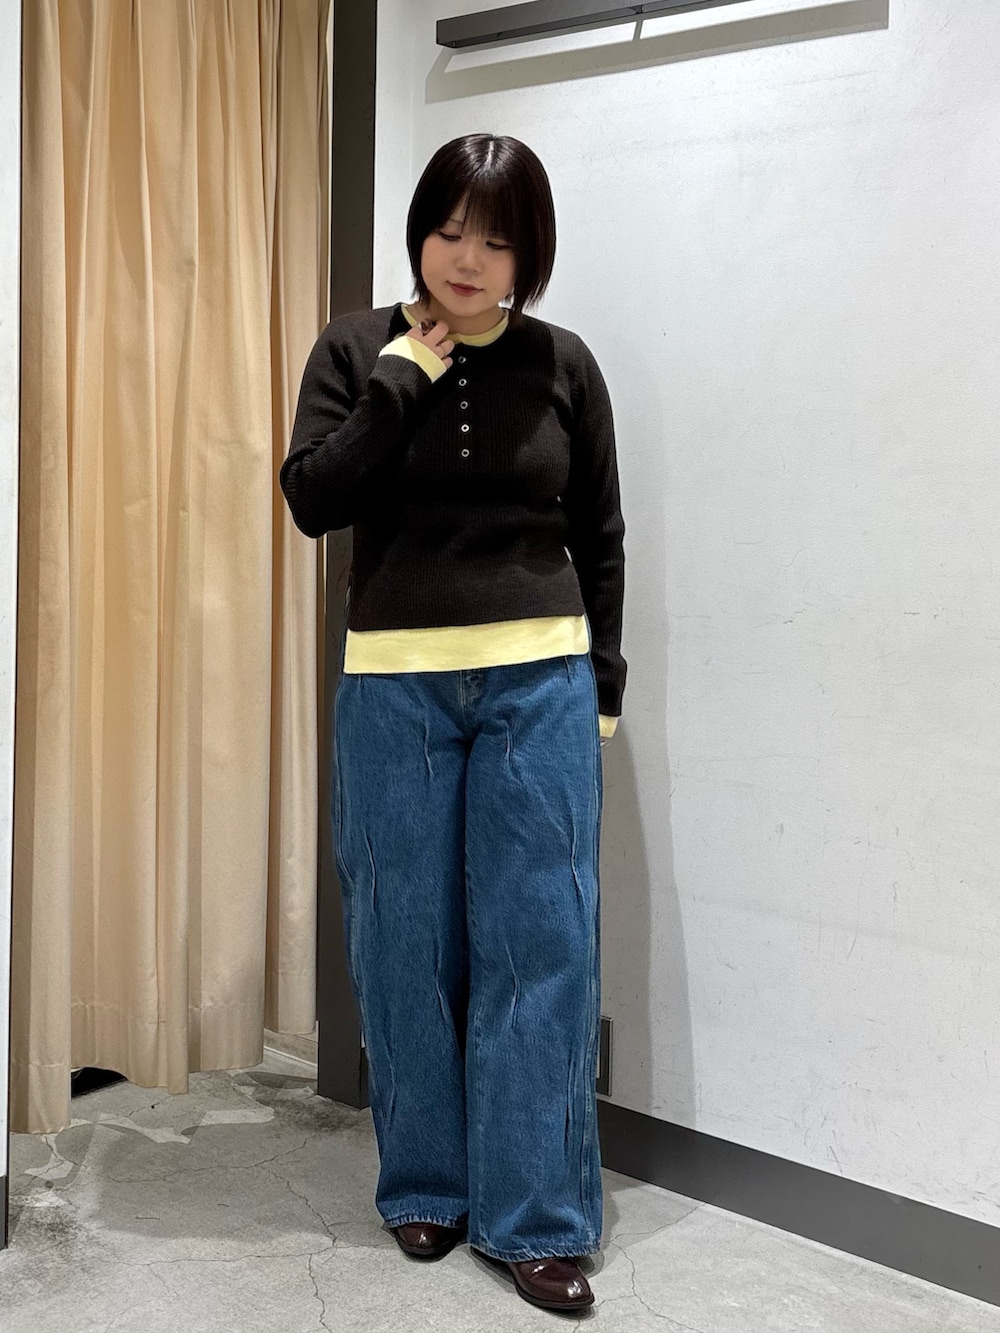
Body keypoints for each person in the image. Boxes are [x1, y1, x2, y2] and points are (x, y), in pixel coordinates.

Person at [280, 133, 626, 1314]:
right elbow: (312, 498)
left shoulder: (563, 364)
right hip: (396, 683)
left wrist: (604, 689)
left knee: (543, 942)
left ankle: (536, 1216)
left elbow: (599, 532)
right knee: (402, 939)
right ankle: (425, 1181)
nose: (467, 258)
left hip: (540, 682)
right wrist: (400, 381)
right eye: (447, 230)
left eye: (496, 239)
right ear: (419, 231)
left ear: (530, 253)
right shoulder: (354, 348)